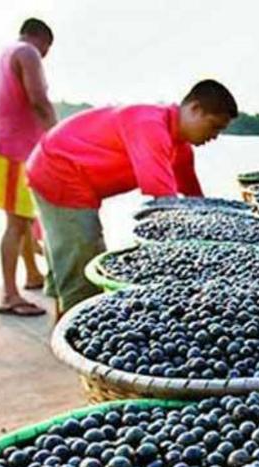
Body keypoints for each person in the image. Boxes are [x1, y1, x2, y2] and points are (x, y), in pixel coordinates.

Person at [26, 79, 238, 316]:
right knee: (83, 261)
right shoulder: (150, 126)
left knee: (68, 255)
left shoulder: (180, 147)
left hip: (71, 175)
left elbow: (194, 202)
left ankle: (62, 318)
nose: (215, 136)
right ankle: (73, 336)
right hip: (58, 169)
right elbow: (166, 206)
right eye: (214, 126)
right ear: (194, 109)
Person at [0, 17, 58, 316]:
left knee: (23, 217)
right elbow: (39, 99)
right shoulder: (28, 53)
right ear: (42, 40)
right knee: (15, 225)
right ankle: (9, 296)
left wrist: (1, 127)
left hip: (3, 146)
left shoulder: (0, 57)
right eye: (47, 51)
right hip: (17, 151)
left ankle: (33, 274)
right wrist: (58, 138)